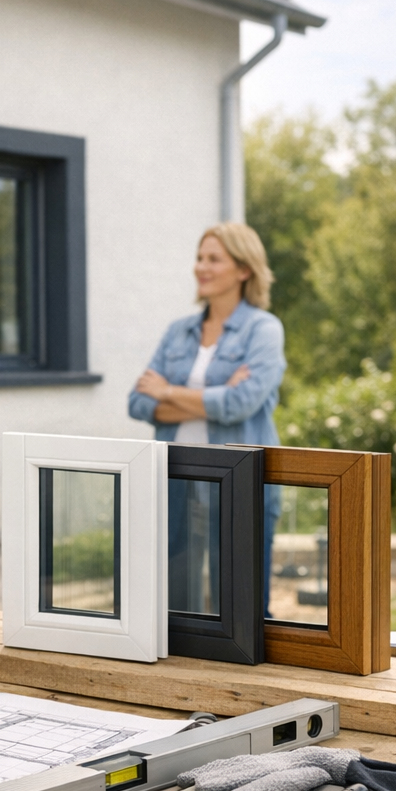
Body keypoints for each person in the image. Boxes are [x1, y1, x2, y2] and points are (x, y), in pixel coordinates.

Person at [128, 223, 286, 615]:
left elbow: (241, 404)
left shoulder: (263, 330)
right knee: (173, 606)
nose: (201, 267)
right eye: (200, 258)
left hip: (238, 480)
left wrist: (168, 391)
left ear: (244, 269)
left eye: (214, 259)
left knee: (239, 607)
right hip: (175, 477)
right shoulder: (178, 332)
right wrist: (210, 398)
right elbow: (137, 402)